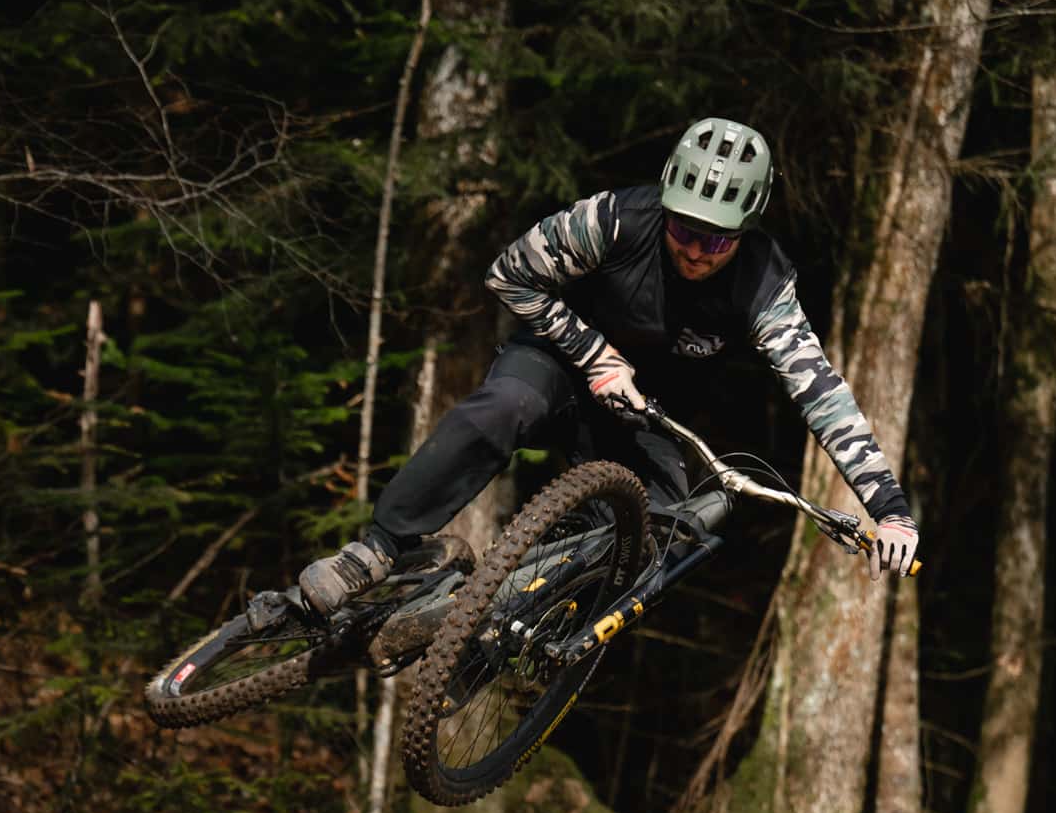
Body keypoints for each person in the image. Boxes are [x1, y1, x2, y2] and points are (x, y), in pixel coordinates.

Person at [298, 116, 919, 614]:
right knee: (504, 407)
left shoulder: (763, 285)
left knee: (665, 539)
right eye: (685, 229)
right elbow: (509, 274)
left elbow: (825, 397)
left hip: (641, 413)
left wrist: (887, 509)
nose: (696, 251)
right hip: (556, 364)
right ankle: (377, 550)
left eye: (718, 239)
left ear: (746, 230)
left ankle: (506, 627)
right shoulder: (614, 219)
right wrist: (593, 351)